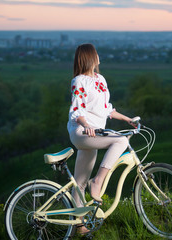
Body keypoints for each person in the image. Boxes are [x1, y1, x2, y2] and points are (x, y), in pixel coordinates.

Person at [67, 43, 135, 211]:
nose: (98, 56)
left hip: (95, 133)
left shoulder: (100, 79)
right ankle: (98, 181)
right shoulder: (79, 81)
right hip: (82, 132)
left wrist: (128, 119)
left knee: (80, 183)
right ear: (90, 57)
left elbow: (107, 109)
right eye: (96, 53)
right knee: (121, 141)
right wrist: (86, 125)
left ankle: (79, 225)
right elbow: (77, 110)